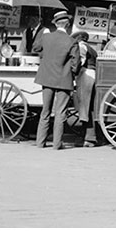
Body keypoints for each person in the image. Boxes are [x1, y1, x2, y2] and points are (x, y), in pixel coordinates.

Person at [34, 10, 79, 151]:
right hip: (63, 80)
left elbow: (36, 47)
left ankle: (40, 142)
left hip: (46, 78)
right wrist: (71, 73)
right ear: (68, 25)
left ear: (56, 24)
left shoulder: (46, 37)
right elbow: (76, 64)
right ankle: (57, 144)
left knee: (45, 111)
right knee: (60, 113)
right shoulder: (72, 41)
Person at [72, 30, 98, 147]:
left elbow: (79, 62)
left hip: (85, 75)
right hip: (92, 75)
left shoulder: (81, 47)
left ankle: (88, 138)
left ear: (78, 38)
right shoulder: (91, 48)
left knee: (84, 107)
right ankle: (89, 137)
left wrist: (72, 71)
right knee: (89, 107)